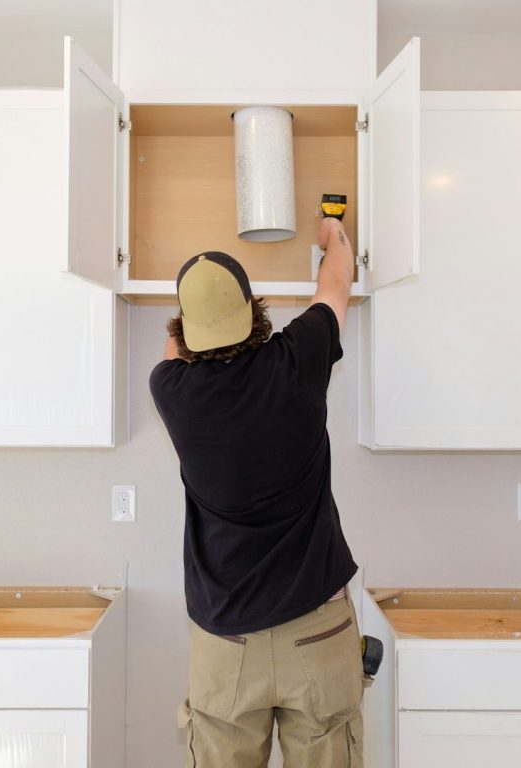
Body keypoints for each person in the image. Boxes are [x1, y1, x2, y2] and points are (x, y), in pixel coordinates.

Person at [149, 215, 364, 768]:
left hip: (226, 647)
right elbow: (335, 284)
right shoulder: (300, 357)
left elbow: (173, 347)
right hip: (318, 630)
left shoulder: (171, 390)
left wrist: (189, 326)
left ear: (187, 329)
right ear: (253, 311)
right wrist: (331, 235)